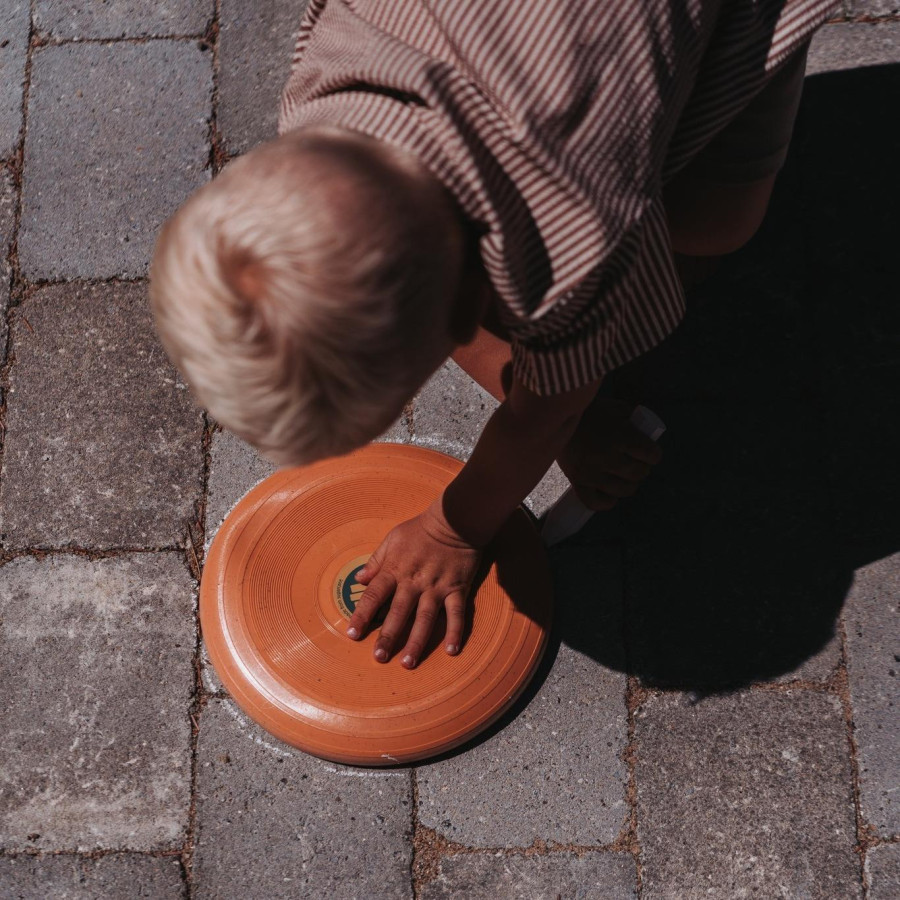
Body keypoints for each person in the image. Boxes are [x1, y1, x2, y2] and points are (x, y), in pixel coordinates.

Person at [150, 0, 838, 670]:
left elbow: (553, 406)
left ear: (470, 319)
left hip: (723, 24)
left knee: (715, 223)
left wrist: (453, 527)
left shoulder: (576, 241)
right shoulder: (323, 87)